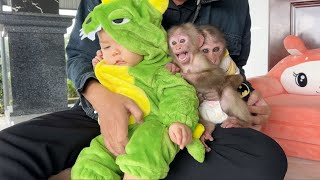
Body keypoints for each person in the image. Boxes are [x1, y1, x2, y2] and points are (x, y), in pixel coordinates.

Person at [0, 0, 287, 179]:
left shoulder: (233, 6)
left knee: (264, 161)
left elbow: (232, 69)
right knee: (6, 152)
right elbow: (77, 56)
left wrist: (245, 97)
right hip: (98, 110)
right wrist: (105, 100)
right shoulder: (110, 6)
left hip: (183, 121)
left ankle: (124, 168)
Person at [71, 1, 204, 179]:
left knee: (146, 151)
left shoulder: (158, 70)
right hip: (113, 128)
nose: (115, 52)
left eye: (123, 43)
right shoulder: (105, 66)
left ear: (143, 40)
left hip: (152, 124)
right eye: (107, 47)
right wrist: (99, 69)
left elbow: (179, 93)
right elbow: (78, 59)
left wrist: (178, 121)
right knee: (92, 160)